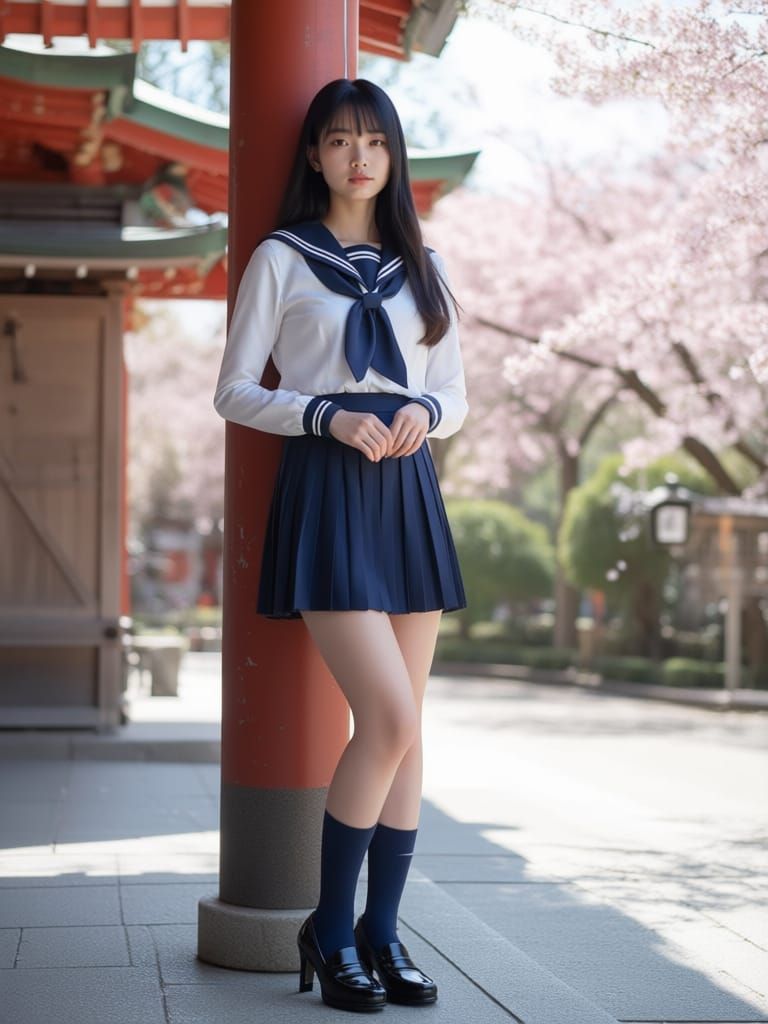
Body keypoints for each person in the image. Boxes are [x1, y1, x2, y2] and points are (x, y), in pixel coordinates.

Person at [213, 77, 468, 1013]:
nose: (358, 157)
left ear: (393, 157)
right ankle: (328, 926)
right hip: (327, 490)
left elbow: (457, 391)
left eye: (375, 142)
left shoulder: (423, 264)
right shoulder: (281, 259)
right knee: (389, 722)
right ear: (314, 155)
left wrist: (421, 409)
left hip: (407, 492)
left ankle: (381, 932)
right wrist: (323, 414)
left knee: (409, 732)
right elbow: (234, 388)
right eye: (338, 141)